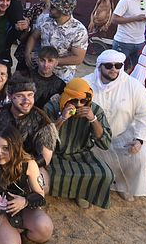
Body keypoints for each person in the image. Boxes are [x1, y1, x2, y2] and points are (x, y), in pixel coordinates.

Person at [84, 49, 146, 202]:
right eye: (108, 65)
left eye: (118, 65)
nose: (113, 69)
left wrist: (140, 140)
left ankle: (124, 186)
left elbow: (145, 113)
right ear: (99, 66)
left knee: (141, 156)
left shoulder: (134, 86)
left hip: (123, 134)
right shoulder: (86, 83)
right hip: (92, 136)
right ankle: (91, 186)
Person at [44, 78, 113, 209]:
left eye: (83, 101)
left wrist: (93, 119)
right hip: (55, 154)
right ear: (66, 97)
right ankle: (78, 189)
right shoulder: (51, 107)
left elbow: (105, 144)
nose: (79, 104)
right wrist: (62, 118)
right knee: (45, 175)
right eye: (74, 100)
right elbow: (44, 138)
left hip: (81, 154)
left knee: (105, 174)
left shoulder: (95, 110)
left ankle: (82, 191)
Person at [0, 79, 58, 179]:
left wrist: (23, 168)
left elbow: (45, 158)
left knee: (43, 183)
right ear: (10, 96)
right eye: (20, 96)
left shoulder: (42, 120)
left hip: (29, 164)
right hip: (0, 158)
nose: (26, 101)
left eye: (30, 95)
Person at [23, 0, 87, 82]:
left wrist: (52, 62)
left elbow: (78, 59)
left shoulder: (79, 30)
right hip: (40, 71)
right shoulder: (45, 19)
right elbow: (33, 37)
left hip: (62, 76)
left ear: (63, 11)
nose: (49, 8)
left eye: (53, 7)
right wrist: (27, 53)